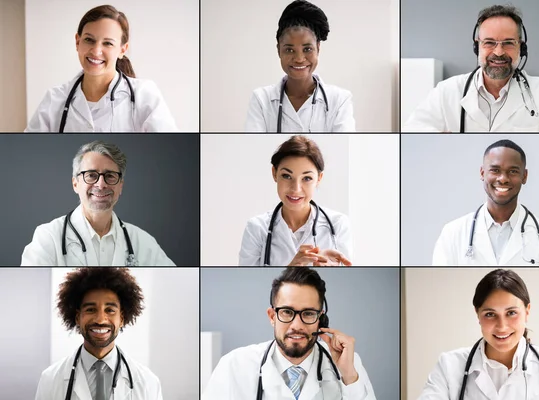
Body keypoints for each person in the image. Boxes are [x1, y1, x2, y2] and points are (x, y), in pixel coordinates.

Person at [403, 4, 539, 132]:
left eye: (508, 43)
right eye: (489, 43)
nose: (499, 52)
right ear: (477, 46)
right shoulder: (447, 91)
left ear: (521, 47)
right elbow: (410, 135)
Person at [203, 267, 376, 399]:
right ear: (272, 316)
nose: (297, 325)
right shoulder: (233, 366)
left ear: (320, 319)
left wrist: (349, 376)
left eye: (308, 313)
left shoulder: (349, 364)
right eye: (287, 312)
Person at [417, 269, 539, 399]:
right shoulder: (449, 366)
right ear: (477, 314)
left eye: (511, 313)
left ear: (527, 311)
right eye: (490, 314)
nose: (502, 326)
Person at [25, 5, 178, 132]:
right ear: (77, 42)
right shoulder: (54, 99)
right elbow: (28, 152)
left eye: (108, 43)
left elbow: (171, 150)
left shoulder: (144, 95)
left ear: (122, 50)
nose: (96, 51)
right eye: (89, 40)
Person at [21, 140, 175, 266]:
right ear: (75, 184)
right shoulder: (48, 237)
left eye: (110, 176)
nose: (101, 184)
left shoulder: (143, 242)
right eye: (91, 175)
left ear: (120, 185)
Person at [35, 267, 163, 399]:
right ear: (78, 317)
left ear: (122, 318)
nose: (100, 320)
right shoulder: (49, 380)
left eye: (110, 310)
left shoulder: (149, 383)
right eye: (91, 309)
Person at [432, 139, 539, 265]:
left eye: (513, 171)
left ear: (524, 176)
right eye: (495, 170)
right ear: (482, 173)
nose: (503, 179)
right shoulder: (453, 233)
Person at [239, 135, 352, 266]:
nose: (296, 189)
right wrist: (291, 269)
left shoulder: (338, 225)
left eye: (307, 178)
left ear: (319, 178)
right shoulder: (256, 228)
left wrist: (332, 274)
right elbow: (249, 284)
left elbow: (346, 283)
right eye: (287, 176)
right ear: (274, 173)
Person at [245, 0, 355, 132]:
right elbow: (254, 149)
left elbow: (343, 149)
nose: (299, 59)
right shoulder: (261, 99)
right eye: (289, 50)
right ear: (278, 50)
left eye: (307, 49)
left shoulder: (339, 100)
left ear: (318, 48)